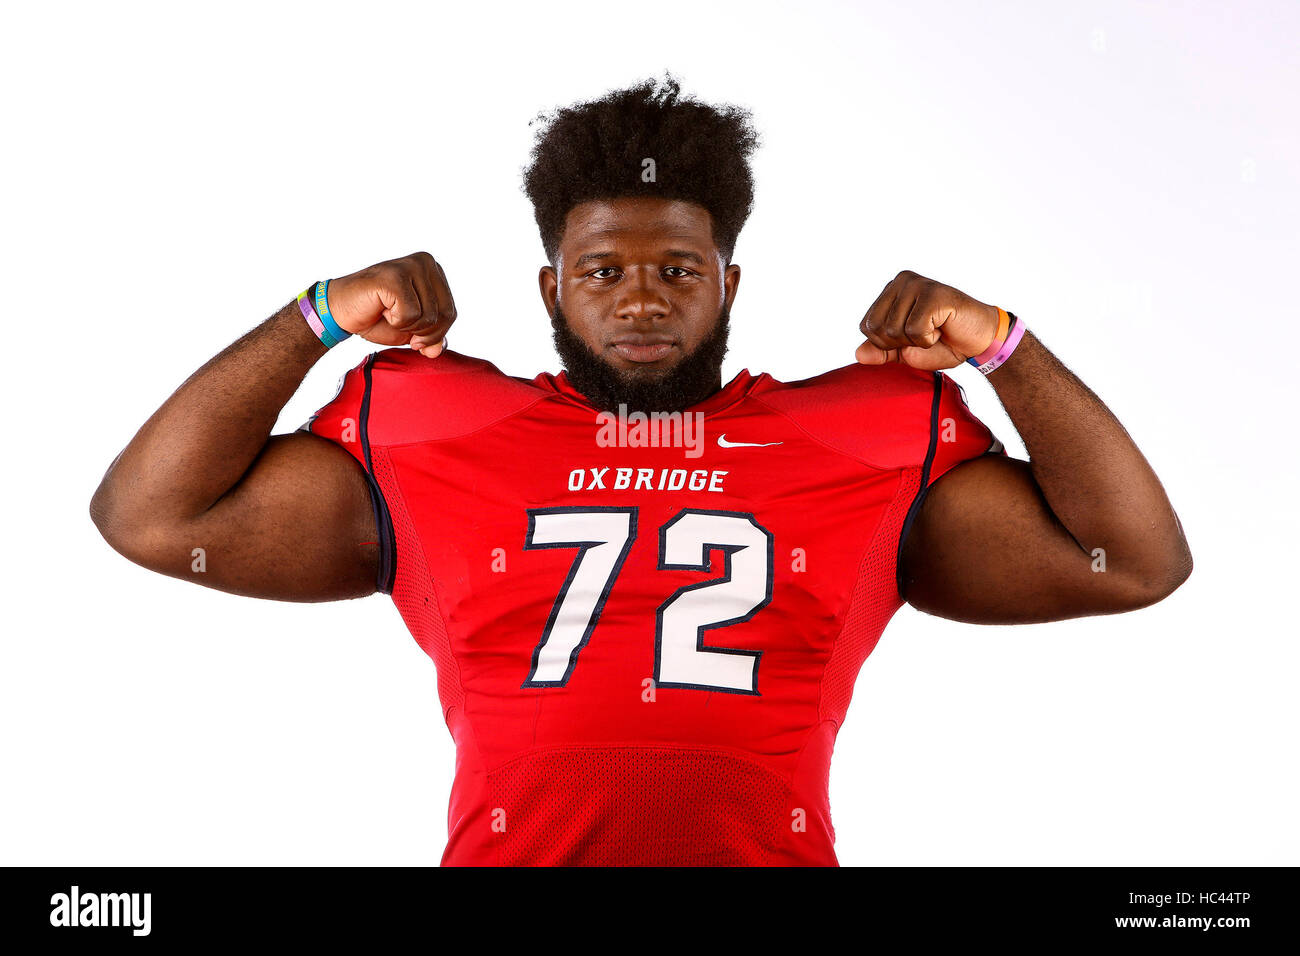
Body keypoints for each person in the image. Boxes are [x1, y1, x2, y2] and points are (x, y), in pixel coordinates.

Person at [89, 76, 1191, 866]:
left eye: (677, 267)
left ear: (729, 283)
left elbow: (1130, 561)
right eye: (601, 269)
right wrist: (318, 315)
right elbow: (153, 515)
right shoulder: (433, 426)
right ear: (548, 290)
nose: (642, 298)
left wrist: (1003, 344)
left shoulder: (861, 434)